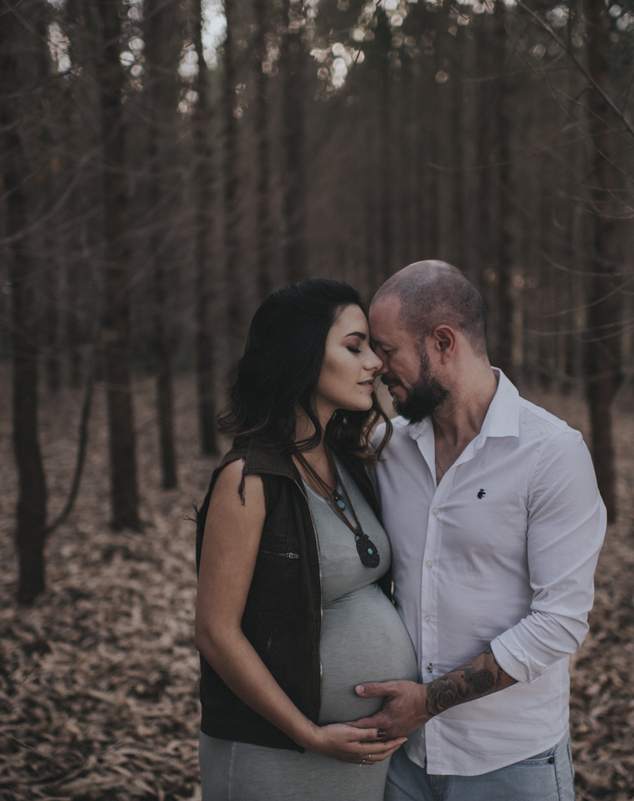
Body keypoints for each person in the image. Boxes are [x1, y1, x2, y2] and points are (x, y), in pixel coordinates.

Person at [352, 261, 607, 801]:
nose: (375, 366)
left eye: (386, 348)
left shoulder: (552, 455)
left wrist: (427, 701)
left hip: (510, 762)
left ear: (442, 342)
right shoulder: (386, 449)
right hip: (402, 759)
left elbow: (560, 623)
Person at [193, 279, 418, 801]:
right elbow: (215, 632)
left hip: (353, 758)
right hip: (278, 755)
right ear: (302, 354)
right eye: (354, 346)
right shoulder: (248, 480)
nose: (375, 364)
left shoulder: (346, 461)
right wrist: (308, 734)